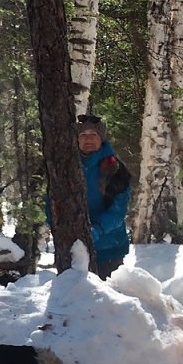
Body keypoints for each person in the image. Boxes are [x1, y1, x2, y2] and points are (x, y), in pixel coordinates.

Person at [74, 114, 131, 279]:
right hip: (75, 249)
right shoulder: (65, 166)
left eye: (93, 135)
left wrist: (96, 229)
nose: (88, 139)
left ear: (102, 139)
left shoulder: (115, 168)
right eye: (83, 135)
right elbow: (50, 202)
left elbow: (118, 211)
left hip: (109, 250)